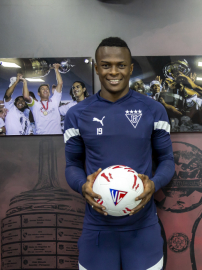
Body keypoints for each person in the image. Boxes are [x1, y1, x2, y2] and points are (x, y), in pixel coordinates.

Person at [64, 37, 174, 270]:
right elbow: (72, 164)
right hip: (97, 229)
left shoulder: (153, 109)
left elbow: (166, 160)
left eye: (121, 65)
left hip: (143, 228)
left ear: (130, 68)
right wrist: (81, 185)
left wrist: (153, 184)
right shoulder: (77, 113)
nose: (113, 72)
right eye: (106, 65)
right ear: (96, 67)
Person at [23, 63, 64, 134]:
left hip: (57, 135)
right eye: (42, 89)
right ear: (38, 94)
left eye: (47, 89)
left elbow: (60, 83)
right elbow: (26, 97)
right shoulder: (35, 104)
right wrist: (25, 83)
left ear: (49, 93)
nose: (45, 90)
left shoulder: (54, 100)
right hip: (41, 136)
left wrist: (56, 69)